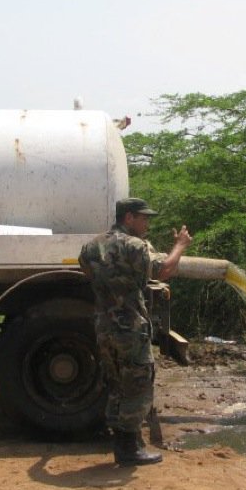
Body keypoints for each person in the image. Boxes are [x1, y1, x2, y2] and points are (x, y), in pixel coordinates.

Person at [78, 197, 192, 466]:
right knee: (138, 386)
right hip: (130, 327)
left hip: (104, 326)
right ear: (128, 218)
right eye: (144, 218)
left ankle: (125, 442)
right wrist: (181, 246)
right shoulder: (134, 246)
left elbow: (87, 272)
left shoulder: (91, 246)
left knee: (117, 384)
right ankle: (129, 450)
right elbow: (163, 269)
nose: (147, 223)